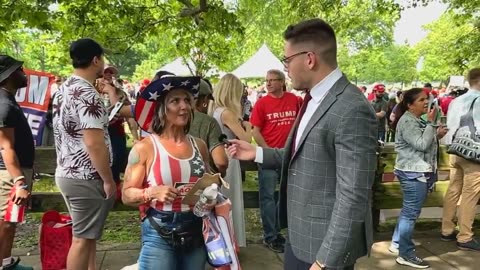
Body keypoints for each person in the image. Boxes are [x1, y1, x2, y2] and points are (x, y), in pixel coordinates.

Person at [227, 19, 377, 270]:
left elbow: (353, 195)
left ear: (309, 59)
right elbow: (304, 156)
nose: (285, 68)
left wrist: (325, 261)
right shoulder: (313, 99)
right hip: (299, 239)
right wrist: (258, 152)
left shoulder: (351, 109)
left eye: (286, 60)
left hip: (323, 248)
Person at [122, 75, 209, 270]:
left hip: (195, 228)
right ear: (161, 108)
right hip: (159, 229)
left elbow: (210, 182)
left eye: (187, 100)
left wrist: (211, 193)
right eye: (175, 101)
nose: (184, 106)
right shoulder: (145, 148)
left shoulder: (200, 146)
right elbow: (126, 194)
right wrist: (150, 193)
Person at [52, 38, 116, 270]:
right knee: (80, 238)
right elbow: (94, 143)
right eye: (103, 58)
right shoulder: (88, 95)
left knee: (86, 236)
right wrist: (108, 179)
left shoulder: (64, 88)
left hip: (67, 173)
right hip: (86, 176)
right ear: (95, 60)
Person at [388, 88, 448, 269]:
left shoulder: (413, 120)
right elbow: (421, 145)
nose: (426, 103)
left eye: (426, 99)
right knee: (411, 213)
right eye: (422, 100)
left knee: (409, 211)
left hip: (415, 171)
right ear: (409, 104)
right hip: (413, 173)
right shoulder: (408, 121)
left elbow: (421, 141)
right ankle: (405, 254)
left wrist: (436, 135)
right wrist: (430, 124)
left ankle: (398, 243)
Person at [249, 69, 301, 253]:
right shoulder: (261, 104)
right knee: (268, 197)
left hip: (290, 156)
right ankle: (271, 236)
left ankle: (283, 231)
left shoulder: (295, 100)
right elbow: (255, 131)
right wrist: (269, 152)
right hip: (269, 157)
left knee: (289, 195)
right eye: (267, 80)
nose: (268, 83)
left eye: (273, 80)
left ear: (282, 82)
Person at [0, 55, 35, 270]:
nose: (24, 73)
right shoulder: (3, 105)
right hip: (9, 175)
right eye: (20, 70)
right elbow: (5, 147)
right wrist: (19, 181)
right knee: (4, 222)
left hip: (14, 173)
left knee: (10, 222)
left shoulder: (8, 100)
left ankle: (6, 262)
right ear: (9, 76)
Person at [210, 73, 251, 248]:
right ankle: (231, 241)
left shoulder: (214, 110)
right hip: (230, 156)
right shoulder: (227, 113)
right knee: (229, 200)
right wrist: (248, 127)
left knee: (219, 200)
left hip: (215, 155)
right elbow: (246, 140)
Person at [441, 68, 480, 251]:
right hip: (473, 153)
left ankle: (447, 229)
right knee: (470, 195)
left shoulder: (456, 101)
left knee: (453, 189)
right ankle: (465, 236)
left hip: (455, 150)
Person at [189, 79, 228, 177]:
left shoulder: (168, 120)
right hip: (204, 182)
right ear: (205, 100)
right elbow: (221, 162)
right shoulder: (209, 122)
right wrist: (221, 175)